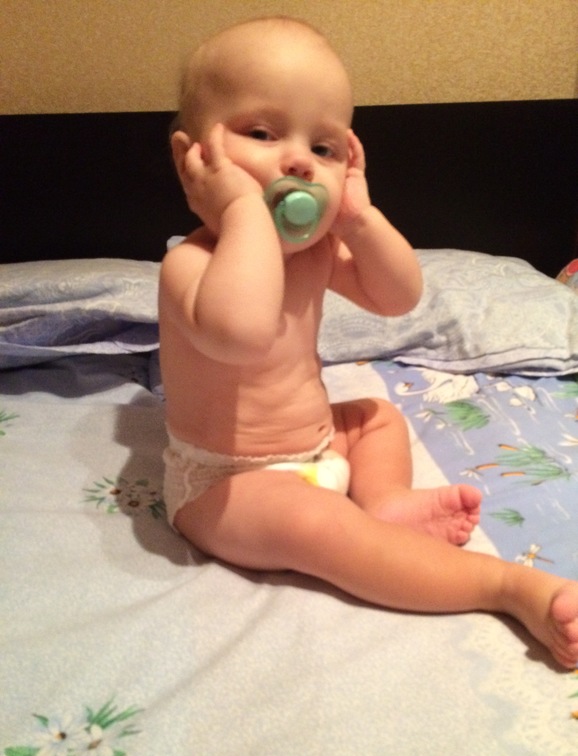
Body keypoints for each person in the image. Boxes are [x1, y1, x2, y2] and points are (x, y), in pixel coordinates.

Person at [159, 15, 578, 669]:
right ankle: (506, 587)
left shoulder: (318, 252)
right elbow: (241, 333)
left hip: (314, 441)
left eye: (324, 148)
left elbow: (398, 296)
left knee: (376, 417)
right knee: (322, 526)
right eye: (262, 133)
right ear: (191, 161)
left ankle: (385, 503)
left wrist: (359, 219)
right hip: (226, 482)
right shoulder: (190, 264)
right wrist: (242, 213)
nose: (299, 161)